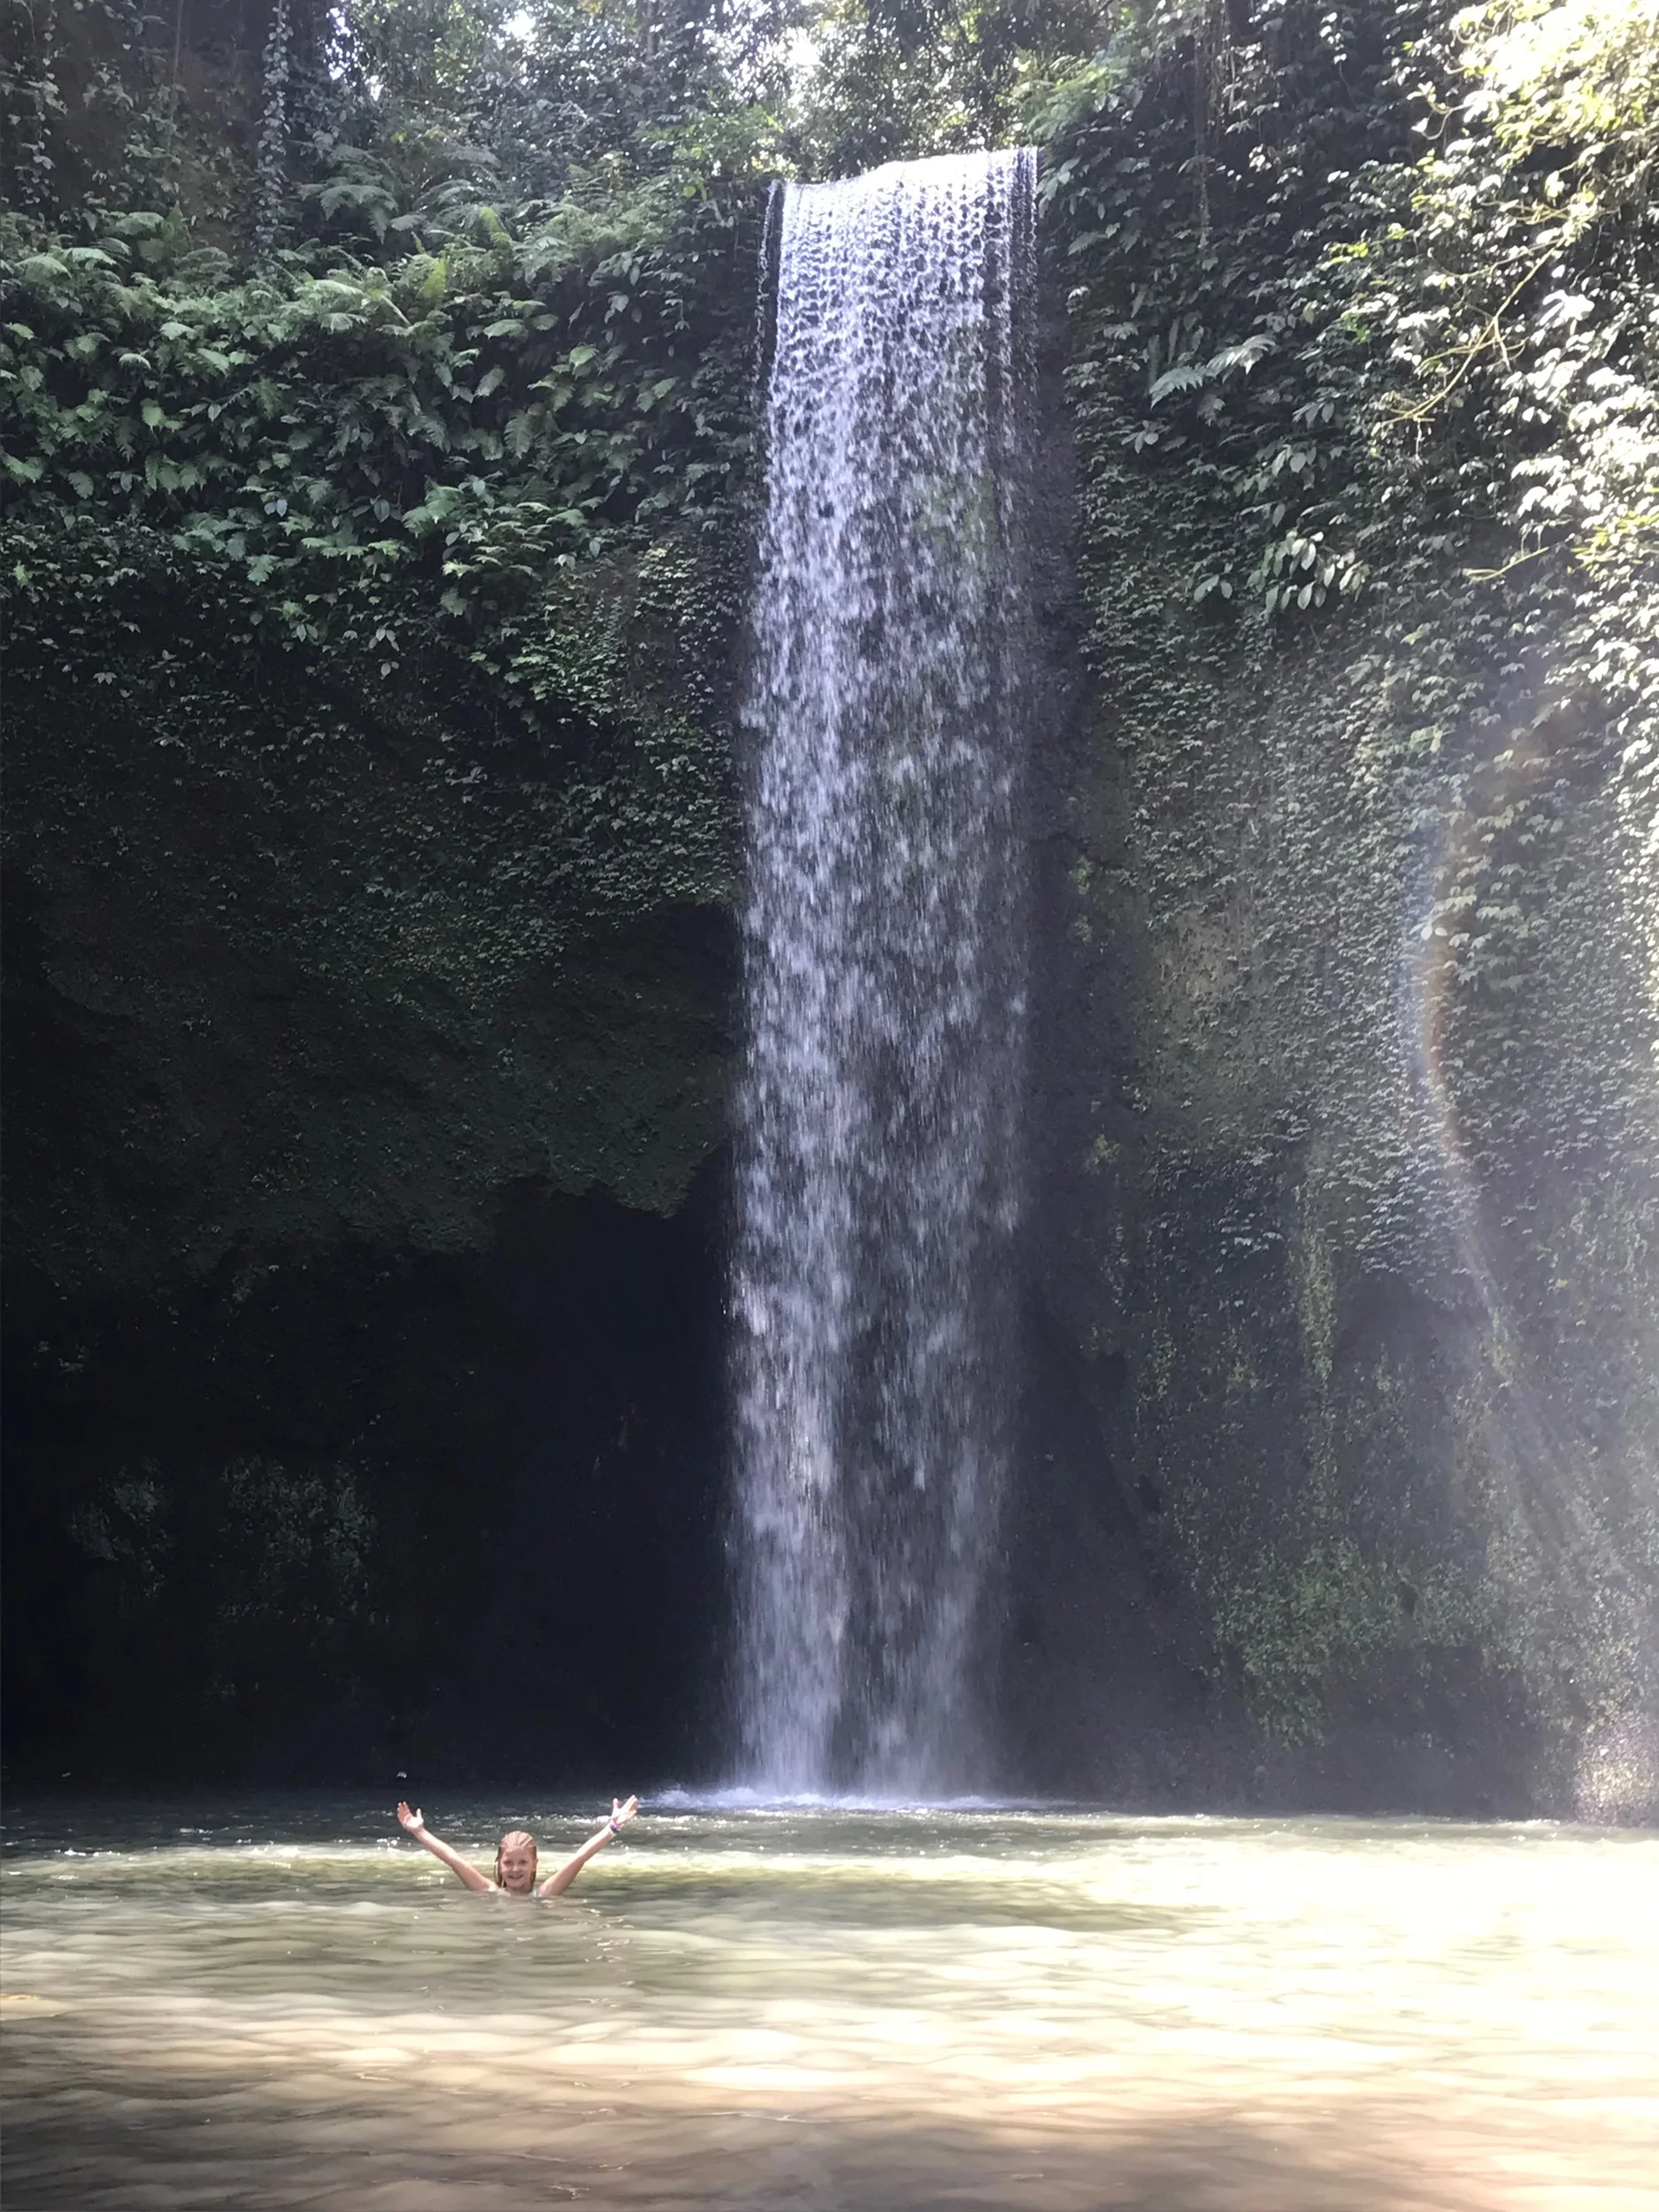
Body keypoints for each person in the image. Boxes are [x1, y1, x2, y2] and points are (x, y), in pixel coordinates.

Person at [395, 1797, 638, 1897]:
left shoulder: (543, 1895)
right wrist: (419, 1831)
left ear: (535, 1865)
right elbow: (453, 1859)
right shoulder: (489, 1891)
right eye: (508, 1863)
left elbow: (580, 1857)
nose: (514, 1869)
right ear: (499, 1866)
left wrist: (611, 1829)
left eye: (522, 1862)